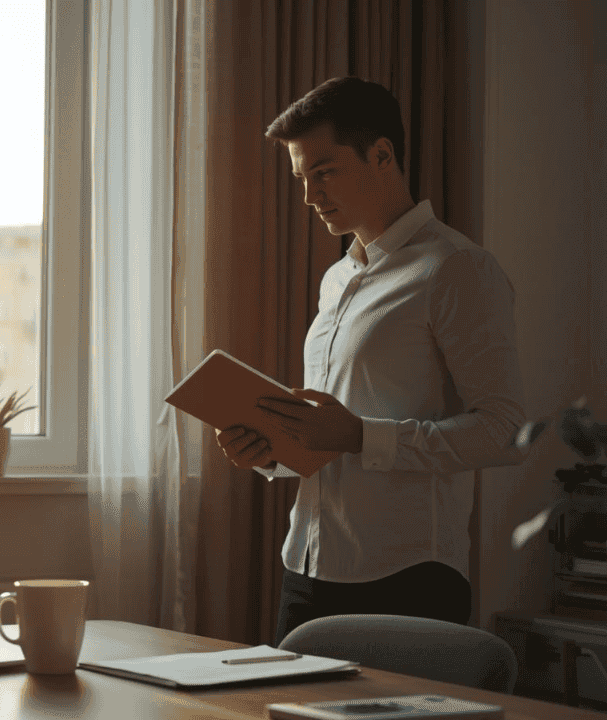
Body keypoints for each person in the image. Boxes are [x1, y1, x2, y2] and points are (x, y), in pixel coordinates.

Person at [215, 77, 526, 642]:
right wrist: (273, 451)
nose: (310, 196)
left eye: (324, 172)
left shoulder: (457, 269)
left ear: (382, 155)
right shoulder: (337, 279)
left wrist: (360, 435)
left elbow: (504, 432)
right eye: (302, 178)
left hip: (407, 576)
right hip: (307, 565)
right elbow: (330, 434)